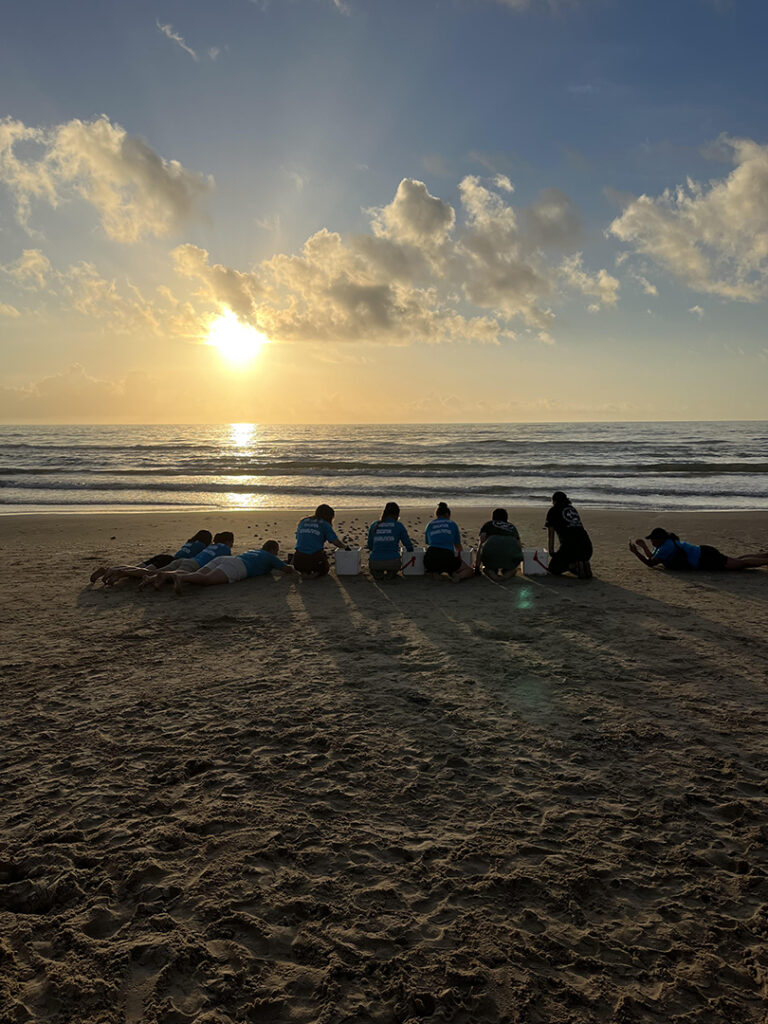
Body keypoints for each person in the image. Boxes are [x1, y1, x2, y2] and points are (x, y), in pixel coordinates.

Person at [158, 541, 294, 594]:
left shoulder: (254, 551)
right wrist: (292, 565)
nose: (276, 554)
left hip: (227, 560)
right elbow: (286, 569)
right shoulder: (270, 557)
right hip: (238, 567)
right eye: (276, 551)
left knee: (197, 576)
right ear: (272, 549)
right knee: (206, 580)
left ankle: (166, 574)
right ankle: (178, 576)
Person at [90, 529, 213, 586]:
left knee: (136, 568)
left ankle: (108, 570)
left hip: (164, 556)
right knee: (145, 572)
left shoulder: (189, 542)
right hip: (170, 561)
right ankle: (120, 572)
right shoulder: (202, 546)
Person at [630, 528, 768, 572]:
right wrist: (643, 547)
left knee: (741, 564)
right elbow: (654, 558)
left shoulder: (666, 546)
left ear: (659, 538)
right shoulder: (665, 544)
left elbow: (651, 563)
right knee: (737, 560)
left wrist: (636, 552)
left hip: (705, 558)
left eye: (652, 539)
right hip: (704, 553)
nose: (651, 541)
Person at [146, 532, 235, 589]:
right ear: (228, 541)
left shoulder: (210, 546)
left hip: (184, 560)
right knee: (175, 575)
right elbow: (225, 562)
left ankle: (151, 578)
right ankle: (154, 579)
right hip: (194, 564)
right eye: (232, 542)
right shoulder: (225, 549)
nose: (232, 545)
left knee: (164, 570)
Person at [545, 492, 593, 579]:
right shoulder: (572, 509)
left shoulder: (553, 511)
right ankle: (581, 563)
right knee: (570, 555)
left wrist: (551, 551)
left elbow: (551, 534)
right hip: (587, 548)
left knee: (553, 568)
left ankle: (575, 566)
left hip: (570, 547)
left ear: (554, 501)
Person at [424, 502, 474, 582]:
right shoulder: (452, 524)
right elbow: (457, 546)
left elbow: (428, 542)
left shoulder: (430, 524)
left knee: (439, 565)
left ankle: (435, 572)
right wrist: (461, 556)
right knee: (469, 570)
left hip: (429, 557)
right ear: (447, 514)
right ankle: (458, 576)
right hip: (446, 556)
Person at [293, 504, 348, 577]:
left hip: (298, 561)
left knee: (303, 554)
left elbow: (298, 538)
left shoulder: (303, 521)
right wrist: (346, 548)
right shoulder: (325, 524)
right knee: (325, 568)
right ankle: (315, 573)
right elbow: (335, 542)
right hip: (315, 559)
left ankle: (304, 571)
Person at [367, 502, 414, 579]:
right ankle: (391, 573)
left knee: (375, 568)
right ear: (396, 514)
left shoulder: (374, 525)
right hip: (393, 561)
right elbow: (408, 544)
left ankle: (378, 573)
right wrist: (410, 550)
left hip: (375, 561)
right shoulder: (398, 525)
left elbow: (370, 545)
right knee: (394, 566)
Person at [476, 508, 523, 580]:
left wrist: (477, 567)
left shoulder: (488, 524)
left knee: (487, 568)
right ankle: (506, 575)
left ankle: (492, 573)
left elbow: (481, 541)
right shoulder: (511, 527)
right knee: (511, 569)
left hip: (492, 553)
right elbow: (519, 545)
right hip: (509, 554)